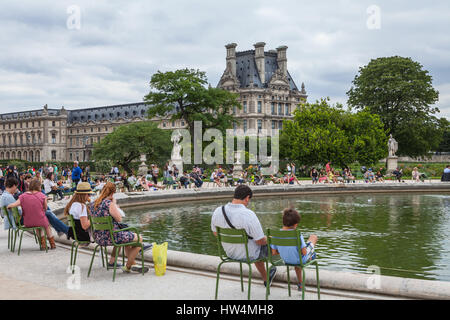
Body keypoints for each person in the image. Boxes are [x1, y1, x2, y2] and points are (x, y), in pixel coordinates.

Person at [210, 185, 277, 288]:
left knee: (253, 244)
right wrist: (272, 239)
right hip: (249, 254)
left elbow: (216, 234)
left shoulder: (218, 211)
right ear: (247, 198)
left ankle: (266, 278)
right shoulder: (248, 214)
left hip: (230, 253)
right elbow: (260, 241)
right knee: (278, 243)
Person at [89, 182, 149, 272]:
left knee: (127, 239)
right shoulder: (109, 203)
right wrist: (115, 205)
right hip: (112, 236)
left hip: (99, 237)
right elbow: (119, 219)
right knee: (139, 238)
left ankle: (133, 264)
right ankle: (128, 266)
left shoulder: (93, 204)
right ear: (113, 193)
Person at [270, 208, 317, 291]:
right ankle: (311, 257)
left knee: (297, 258)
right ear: (295, 224)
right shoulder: (297, 235)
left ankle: (301, 285)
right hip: (299, 260)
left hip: (286, 260)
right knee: (313, 237)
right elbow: (304, 252)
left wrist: (284, 250)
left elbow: (273, 252)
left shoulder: (275, 235)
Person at [7, 178, 56, 250]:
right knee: (46, 226)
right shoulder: (42, 196)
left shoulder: (22, 196)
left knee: (38, 226)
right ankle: (52, 244)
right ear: (38, 186)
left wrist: (9, 206)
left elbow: (14, 204)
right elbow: (45, 208)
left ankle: (43, 245)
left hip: (28, 222)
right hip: (41, 221)